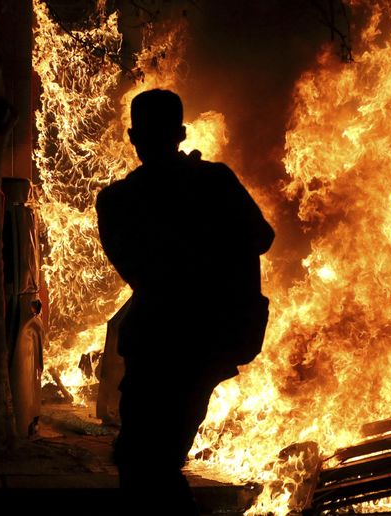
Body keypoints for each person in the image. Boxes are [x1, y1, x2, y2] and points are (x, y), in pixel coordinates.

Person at [96, 89, 274, 515]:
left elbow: (138, 270)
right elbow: (261, 238)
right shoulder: (214, 182)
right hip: (205, 342)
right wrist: (200, 194)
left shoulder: (118, 200)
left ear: (132, 137)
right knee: (151, 460)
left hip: (163, 344)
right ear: (181, 133)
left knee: (143, 461)